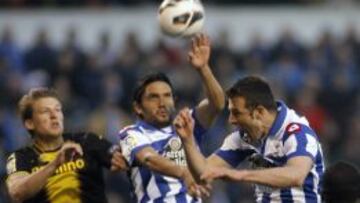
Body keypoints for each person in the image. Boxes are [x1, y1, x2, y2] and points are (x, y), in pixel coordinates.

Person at [174, 76, 325, 202]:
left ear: (259, 112)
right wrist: (188, 140)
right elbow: (204, 173)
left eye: (237, 113)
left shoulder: (297, 133)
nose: (231, 120)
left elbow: (296, 175)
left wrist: (240, 175)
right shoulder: (244, 137)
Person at [118, 34, 225, 202]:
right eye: (153, 97)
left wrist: (204, 69)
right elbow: (149, 159)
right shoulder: (130, 134)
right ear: (138, 107)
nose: (162, 103)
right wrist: (184, 173)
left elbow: (217, 104)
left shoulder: (187, 124)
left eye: (167, 96)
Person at [5, 88, 127, 203]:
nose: (54, 116)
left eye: (58, 110)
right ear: (30, 123)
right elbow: (17, 193)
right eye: (45, 111)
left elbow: (122, 159)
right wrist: (55, 164)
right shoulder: (21, 157)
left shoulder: (86, 141)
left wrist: (125, 154)